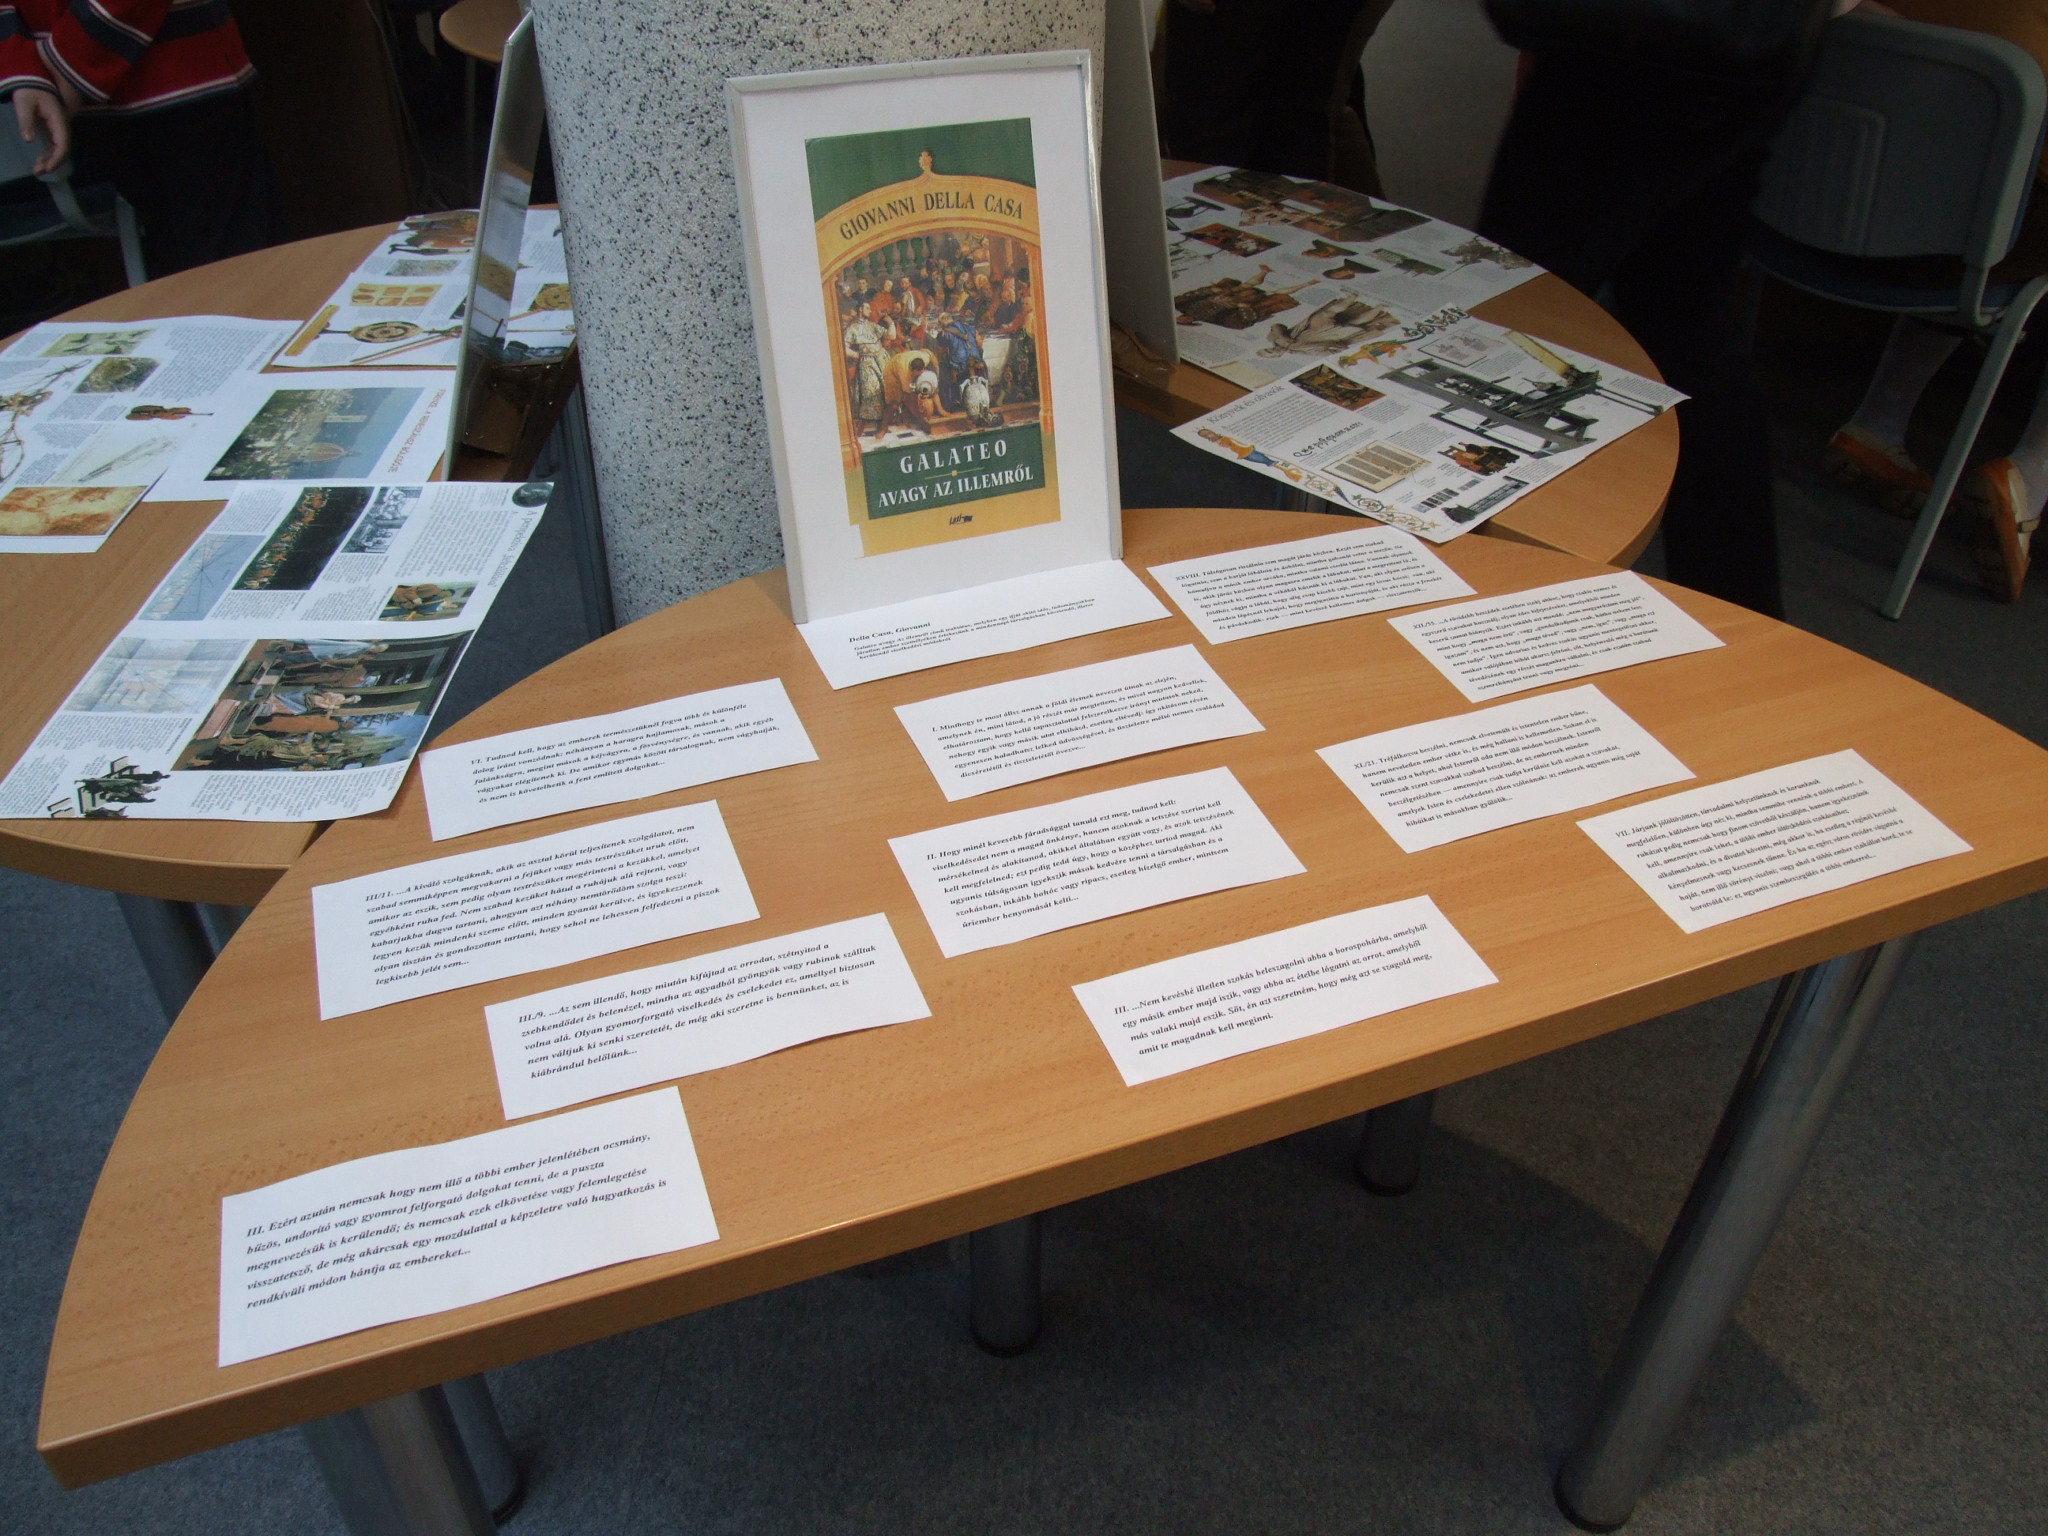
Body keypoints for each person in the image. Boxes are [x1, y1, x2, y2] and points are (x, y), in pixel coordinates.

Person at [1476, 0, 1840, 619]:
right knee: (1689, 330)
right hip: (1746, 46)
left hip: (1633, 50)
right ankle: (1741, 618)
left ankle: (1463, 591)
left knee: (1511, 321)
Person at [1821, 1, 2048, 600]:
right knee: (1995, 214)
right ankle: (2031, 477)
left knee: (1975, 189)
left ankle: (1878, 423)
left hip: (1809, 220)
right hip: (1958, 253)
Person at [2, 0, 283, 277]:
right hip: (147, 76)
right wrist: (34, 70)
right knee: (230, 268)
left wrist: (43, 69)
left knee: (220, 267)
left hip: (166, 76)